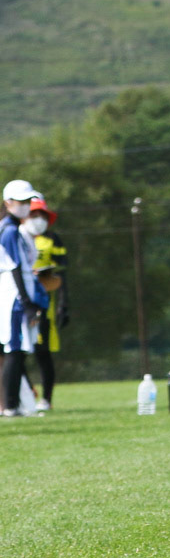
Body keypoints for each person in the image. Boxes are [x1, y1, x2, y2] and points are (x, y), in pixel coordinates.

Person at [1, 179, 49, 418]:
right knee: (14, 350)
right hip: (14, 299)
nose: (25, 206)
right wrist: (27, 302)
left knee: (18, 352)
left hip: (19, 297)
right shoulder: (9, 230)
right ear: (8, 202)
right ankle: (10, 405)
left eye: (27, 201)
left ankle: (13, 404)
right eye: (20, 201)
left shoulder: (14, 229)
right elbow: (15, 267)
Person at [28, 195, 65, 411]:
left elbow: (61, 272)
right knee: (14, 353)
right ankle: (26, 391)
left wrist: (64, 303)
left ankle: (46, 399)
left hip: (44, 303)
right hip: (17, 302)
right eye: (34, 213)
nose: (38, 218)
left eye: (42, 214)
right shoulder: (15, 235)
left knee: (43, 352)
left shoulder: (52, 239)